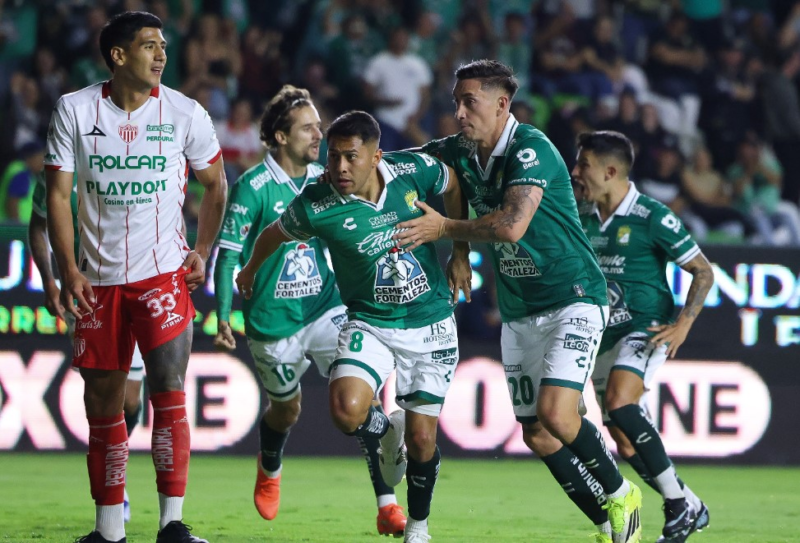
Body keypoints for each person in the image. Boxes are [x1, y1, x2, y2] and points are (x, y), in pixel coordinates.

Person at [394, 60, 643, 543]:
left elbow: (511, 226)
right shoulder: (460, 149)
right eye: (456, 102)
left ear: (501, 104)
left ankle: (621, 492)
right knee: (538, 434)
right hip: (519, 309)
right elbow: (407, 166)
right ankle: (607, 522)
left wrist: (445, 230)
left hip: (573, 297)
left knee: (557, 414)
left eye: (470, 102)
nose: (459, 112)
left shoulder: (531, 148)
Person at [236, 110, 471, 543]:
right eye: (333, 157)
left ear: (376, 156)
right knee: (346, 411)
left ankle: (417, 527)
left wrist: (459, 250)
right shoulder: (318, 202)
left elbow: (454, 182)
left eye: (351, 157)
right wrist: (250, 270)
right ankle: (387, 432)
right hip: (369, 320)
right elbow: (273, 233)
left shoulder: (412, 169)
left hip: (429, 321)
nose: (340, 167)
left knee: (422, 440)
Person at [45, 11, 227, 543]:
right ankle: (108, 532)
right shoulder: (74, 109)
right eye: (150, 45)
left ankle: (172, 525)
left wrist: (202, 249)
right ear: (118, 55)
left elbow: (216, 184)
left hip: (162, 275)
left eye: (163, 45)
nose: (162, 54)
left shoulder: (185, 112)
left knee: (168, 392)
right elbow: (57, 194)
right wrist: (68, 268)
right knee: (104, 406)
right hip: (96, 282)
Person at [213, 86, 407, 536]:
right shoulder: (253, 188)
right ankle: (270, 464)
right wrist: (223, 314)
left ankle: (387, 504)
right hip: (273, 323)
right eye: (308, 128)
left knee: (362, 395)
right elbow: (228, 255)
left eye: (319, 126)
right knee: (286, 411)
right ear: (281, 137)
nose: (319, 135)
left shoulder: (328, 178)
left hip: (325, 308)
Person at [572, 130, 713, 543]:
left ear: (610, 171)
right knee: (623, 440)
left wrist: (683, 324)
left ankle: (676, 505)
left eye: (583, 164)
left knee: (621, 402)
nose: (576, 172)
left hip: (645, 327)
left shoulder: (651, 215)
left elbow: (703, 271)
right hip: (602, 335)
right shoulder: (582, 215)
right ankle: (690, 503)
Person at [28, 172, 144, 524]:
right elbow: (38, 226)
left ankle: (115, 464)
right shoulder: (57, 173)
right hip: (85, 294)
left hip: (136, 286)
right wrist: (49, 280)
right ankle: (114, 484)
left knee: (130, 401)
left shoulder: (132, 161)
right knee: (104, 391)